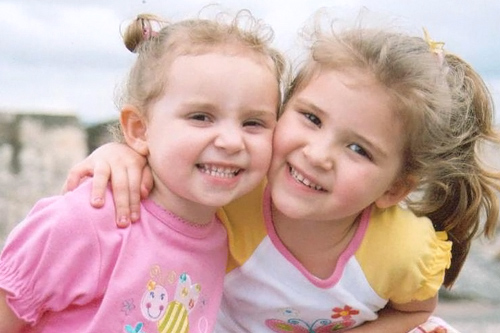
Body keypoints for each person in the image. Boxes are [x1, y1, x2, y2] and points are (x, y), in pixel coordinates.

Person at [64, 13, 500, 333]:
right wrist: (124, 155)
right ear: (279, 109)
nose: (318, 154)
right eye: (311, 118)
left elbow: (413, 311)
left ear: (395, 188)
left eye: (358, 149)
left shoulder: (403, 248)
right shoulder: (226, 199)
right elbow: (177, 162)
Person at [0, 11, 285, 332]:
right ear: (139, 129)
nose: (232, 141)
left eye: (253, 123)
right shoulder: (90, 217)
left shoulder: (225, 231)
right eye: (201, 117)